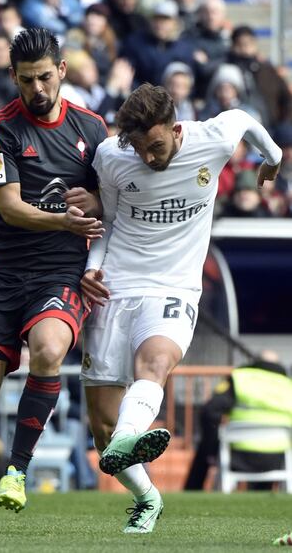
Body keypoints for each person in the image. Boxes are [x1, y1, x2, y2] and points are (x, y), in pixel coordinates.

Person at [80, 83, 282, 534]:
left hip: (175, 287)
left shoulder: (212, 137)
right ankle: (147, 497)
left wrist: (273, 158)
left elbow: (246, 118)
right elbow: (109, 223)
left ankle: (130, 438)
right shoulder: (112, 157)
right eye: (140, 149)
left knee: (154, 364)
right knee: (102, 427)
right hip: (116, 285)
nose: (149, 159)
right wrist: (93, 268)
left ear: (175, 129)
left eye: (155, 146)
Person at [0, 27, 107, 534]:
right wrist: (67, 219)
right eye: (27, 80)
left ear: (63, 71)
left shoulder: (93, 130)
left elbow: (115, 201)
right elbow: (9, 208)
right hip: (3, 271)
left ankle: (17, 472)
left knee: (49, 349)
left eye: (46, 77)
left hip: (60, 272)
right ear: (13, 77)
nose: (38, 89)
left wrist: (95, 210)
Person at [184, 350, 292, 491]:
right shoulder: (287, 384)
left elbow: (209, 411)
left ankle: (193, 489)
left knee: (205, 448)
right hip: (278, 458)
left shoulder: (240, 378)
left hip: (238, 455)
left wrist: (211, 446)